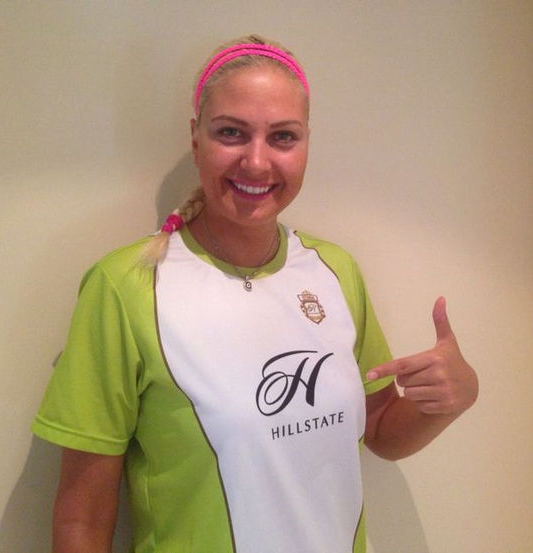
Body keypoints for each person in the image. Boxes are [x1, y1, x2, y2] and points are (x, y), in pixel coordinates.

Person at [32, 35, 478, 553]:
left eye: (283, 137)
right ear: (195, 138)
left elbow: (381, 430)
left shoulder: (336, 271)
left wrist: (452, 398)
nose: (257, 163)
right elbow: (82, 519)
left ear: (307, 143)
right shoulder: (125, 286)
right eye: (231, 133)